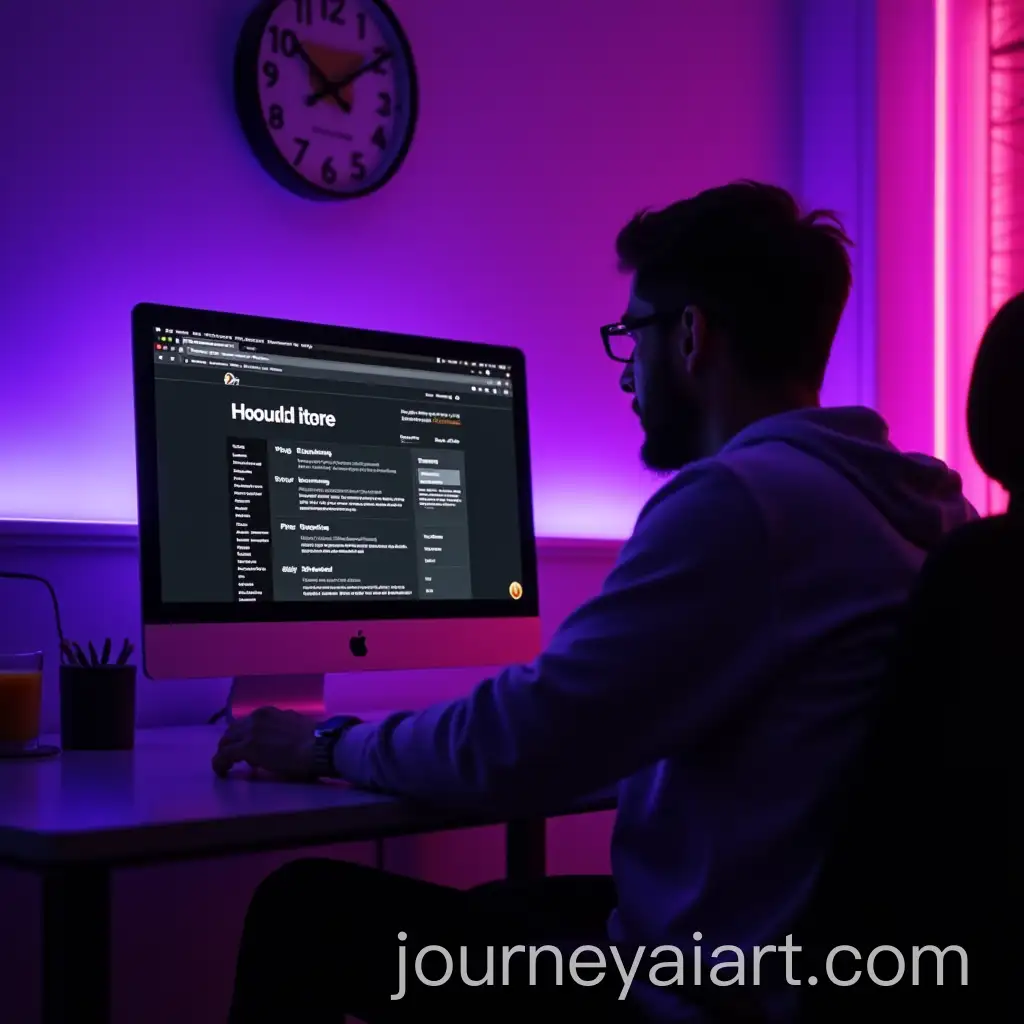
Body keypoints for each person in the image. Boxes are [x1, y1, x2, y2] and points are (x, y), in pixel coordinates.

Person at [214, 181, 974, 1023]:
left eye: (631, 335)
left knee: (304, 909)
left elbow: (518, 745)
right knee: (508, 904)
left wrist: (329, 743)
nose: (626, 377)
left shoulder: (743, 503)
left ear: (690, 335)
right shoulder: (928, 509)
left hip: (697, 996)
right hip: (827, 966)